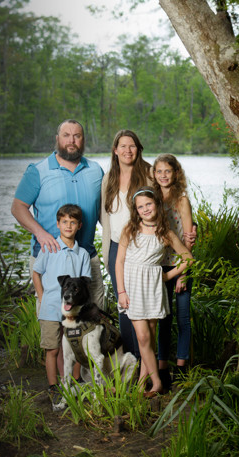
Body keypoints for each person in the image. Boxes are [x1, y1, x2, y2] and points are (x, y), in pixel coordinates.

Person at [12, 119, 105, 309]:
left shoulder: (96, 171)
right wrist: (40, 233)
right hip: (50, 257)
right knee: (52, 322)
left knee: (95, 320)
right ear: (57, 139)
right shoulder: (38, 170)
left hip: (87, 257)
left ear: (83, 140)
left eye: (77, 136)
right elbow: (18, 207)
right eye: (66, 135)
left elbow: (105, 212)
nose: (72, 140)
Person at [115, 187, 193, 397]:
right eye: (140, 207)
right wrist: (121, 291)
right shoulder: (129, 230)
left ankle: (142, 383)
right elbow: (119, 261)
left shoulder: (165, 233)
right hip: (132, 286)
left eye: (148, 204)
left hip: (153, 286)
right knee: (142, 337)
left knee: (148, 338)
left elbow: (187, 258)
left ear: (157, 204)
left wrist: (167, 276)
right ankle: (157, 381)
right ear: (136, 211)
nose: (145, 209)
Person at [100, 130, 153, 360]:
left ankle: (147, 362)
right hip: (114, 248)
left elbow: (160, 208)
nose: (127, 150)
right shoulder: (108, 177)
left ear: (138, 149)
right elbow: (105, 215)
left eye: (131, 146)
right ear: (115, 150)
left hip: (141, 248)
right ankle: (130, 360)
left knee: (143, 305)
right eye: (122, 146)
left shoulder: (149, 174)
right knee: (123, 303)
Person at [31, 204, 91, 410]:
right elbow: (36, 272)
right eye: (64, 222)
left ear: (79, 226)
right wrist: (42, 297)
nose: (68, 226)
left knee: (75, 346)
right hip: (49, 309)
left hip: (73, 312)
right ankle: (53, 387)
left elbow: (84, 283)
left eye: (72, 222)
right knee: (52, 349)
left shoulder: (82, 253)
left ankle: (74, 383)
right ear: (57, 224)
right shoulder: (49, 247)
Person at [153, 154, 195, 389]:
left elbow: (188, 237)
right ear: (154, 174)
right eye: (159, 171)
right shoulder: (153, 197)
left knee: (182, 317)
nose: (163, 175)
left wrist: (184, 273)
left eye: (167, 171)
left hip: (180, 264)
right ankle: (162, 366)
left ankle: (181, 367)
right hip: (159, 265)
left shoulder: (181, 199)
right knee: (163, 318)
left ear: (175, 173)